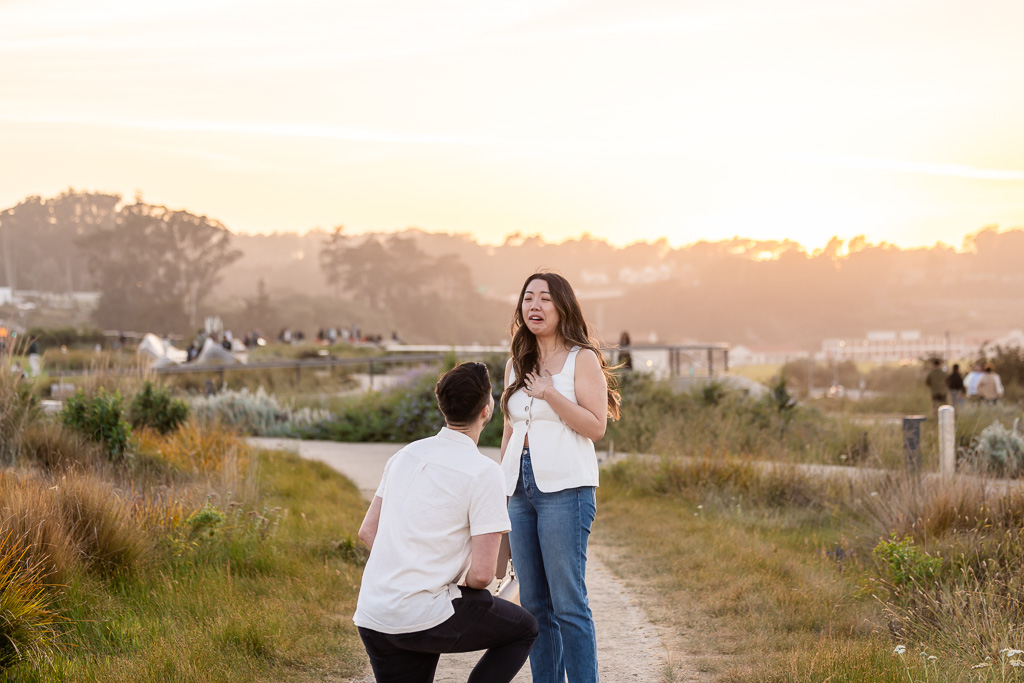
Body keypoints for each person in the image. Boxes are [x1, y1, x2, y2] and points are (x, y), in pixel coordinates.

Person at [354, 362, 537, 683]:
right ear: (486, 409)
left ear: (442, 406)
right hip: (421, 615)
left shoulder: (405, 455)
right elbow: (481, 576)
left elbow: (368, 532)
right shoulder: (484, 473)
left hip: (373, 613)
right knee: (523, 629)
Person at [500, 272, 621, 683]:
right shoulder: (515, 363)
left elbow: (596, 427)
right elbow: (509, 431)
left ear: (562, 306)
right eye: (528, 297)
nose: (535, 305)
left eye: (545, 299)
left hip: (566, 490)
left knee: (568, 603)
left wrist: (551, 392)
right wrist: (500, 493)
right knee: (532, 604)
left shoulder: (581, 359)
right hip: (520, 489)